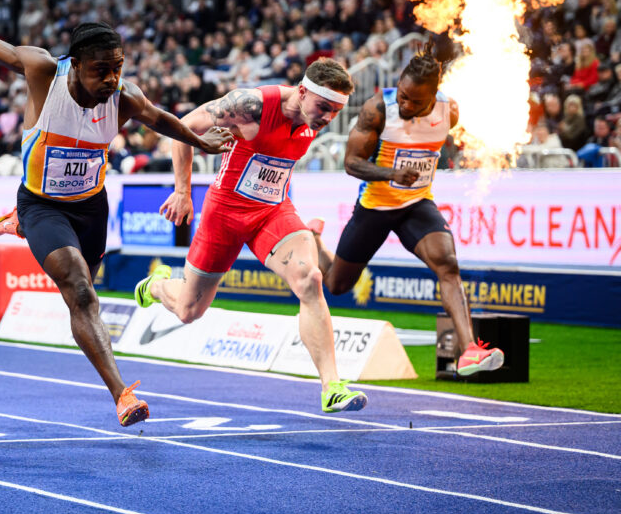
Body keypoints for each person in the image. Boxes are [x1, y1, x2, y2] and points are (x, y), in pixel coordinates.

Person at [0, 0, 234, 427]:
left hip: (90, 207)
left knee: (90, 290)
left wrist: (199, 141)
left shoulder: (124, 96)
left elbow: (160, 119)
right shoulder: (43, 72)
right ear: (75, 64)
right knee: (79, 293)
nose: (111, 78)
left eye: (118, 67)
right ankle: (122, 394)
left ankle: (24, 229)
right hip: (41, 203)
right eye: (101, 69)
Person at [133, 59, 370, 414]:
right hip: (224, 213)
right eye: (323, 108)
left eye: (336, 112)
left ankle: (331, 387)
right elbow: (182, 128)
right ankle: (156, 285)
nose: (327, 119)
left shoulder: (313, 115)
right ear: (302, 92)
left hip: (272, 210)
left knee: (310, 279)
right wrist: (183, 191)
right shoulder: (253, 105)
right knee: (188, 311)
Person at [308, 48, 504, 377]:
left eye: (416, 101)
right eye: (403, 96)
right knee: (337, 284)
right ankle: (314, 239)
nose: (407, 105)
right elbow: (350, 163)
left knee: (448, 265)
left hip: (416, 204)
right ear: (398, 84)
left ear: (434, 95)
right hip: (376, 206)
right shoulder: (378, 109)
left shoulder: (449, 110)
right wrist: (391, 174)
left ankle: (469, 349)